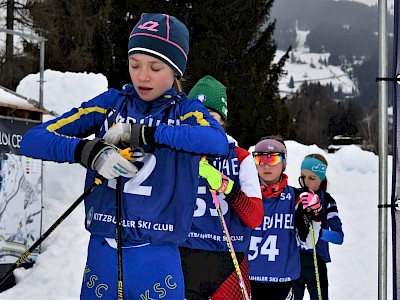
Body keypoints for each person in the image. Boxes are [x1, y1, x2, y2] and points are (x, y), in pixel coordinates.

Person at [20, 13, 229, 300]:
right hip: (103, 253)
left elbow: (217, 142)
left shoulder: (187, 112)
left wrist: (147, 133)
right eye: (135, 64)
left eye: (155, 67)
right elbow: (33, 140)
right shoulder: (111, 103)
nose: (143, 76)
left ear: (176, 70)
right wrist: (88, 151)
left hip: (156, 259)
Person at [178, 75, 264, 300]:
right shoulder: (177, 155)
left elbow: (255, 217)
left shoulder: (240, 157)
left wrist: (226, 185)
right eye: (195, 117)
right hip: (184, 256)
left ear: (223, 120)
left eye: (211, 117)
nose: (203, 124)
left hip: (228, 262)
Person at [247, 136, 323, 300]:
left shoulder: (296, 197)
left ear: (284, 163)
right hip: (248, 280)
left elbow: (309, 242)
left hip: (282, 282)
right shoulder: (246, 195)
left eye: (273, 158)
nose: (267, 165)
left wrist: (316, 215)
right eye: (260, 159)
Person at [293, 154, 344, 300]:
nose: (306, 182)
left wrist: (316, 232)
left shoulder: (326, 200)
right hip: (294, 262)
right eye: (303, 176)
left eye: (312, 178)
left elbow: (339, 237)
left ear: (321, 179)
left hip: (317, 261)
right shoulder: (295, 195)